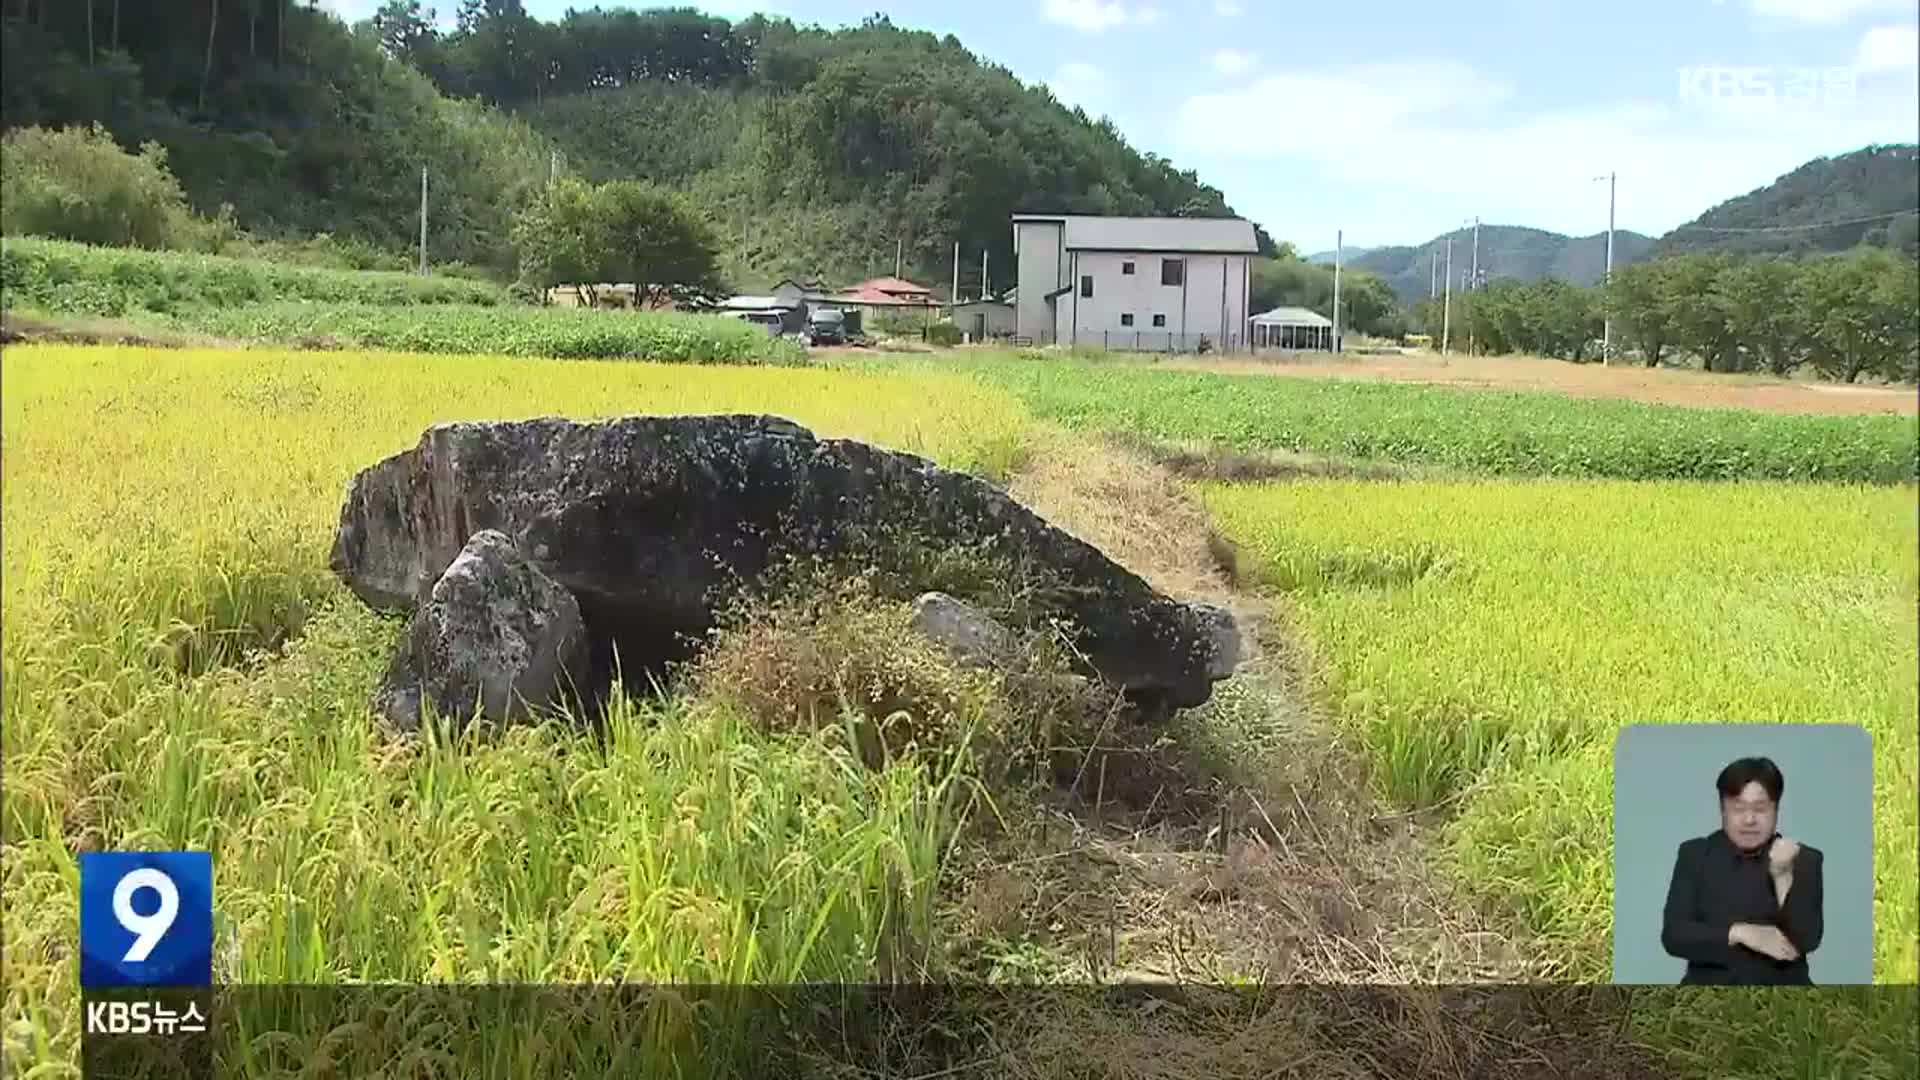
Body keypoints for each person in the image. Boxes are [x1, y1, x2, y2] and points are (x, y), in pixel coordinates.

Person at [1660, 756, 1824, 985]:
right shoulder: (1695, 854)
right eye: (1738, 808)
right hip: (1706, 999)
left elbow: (1806, 940)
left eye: (1760, 808)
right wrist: (1741, 933)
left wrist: (1782, 874)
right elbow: (1674, 936)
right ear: (1722, 809)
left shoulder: (1804, 858)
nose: (1749, 819)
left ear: (1776, 808)